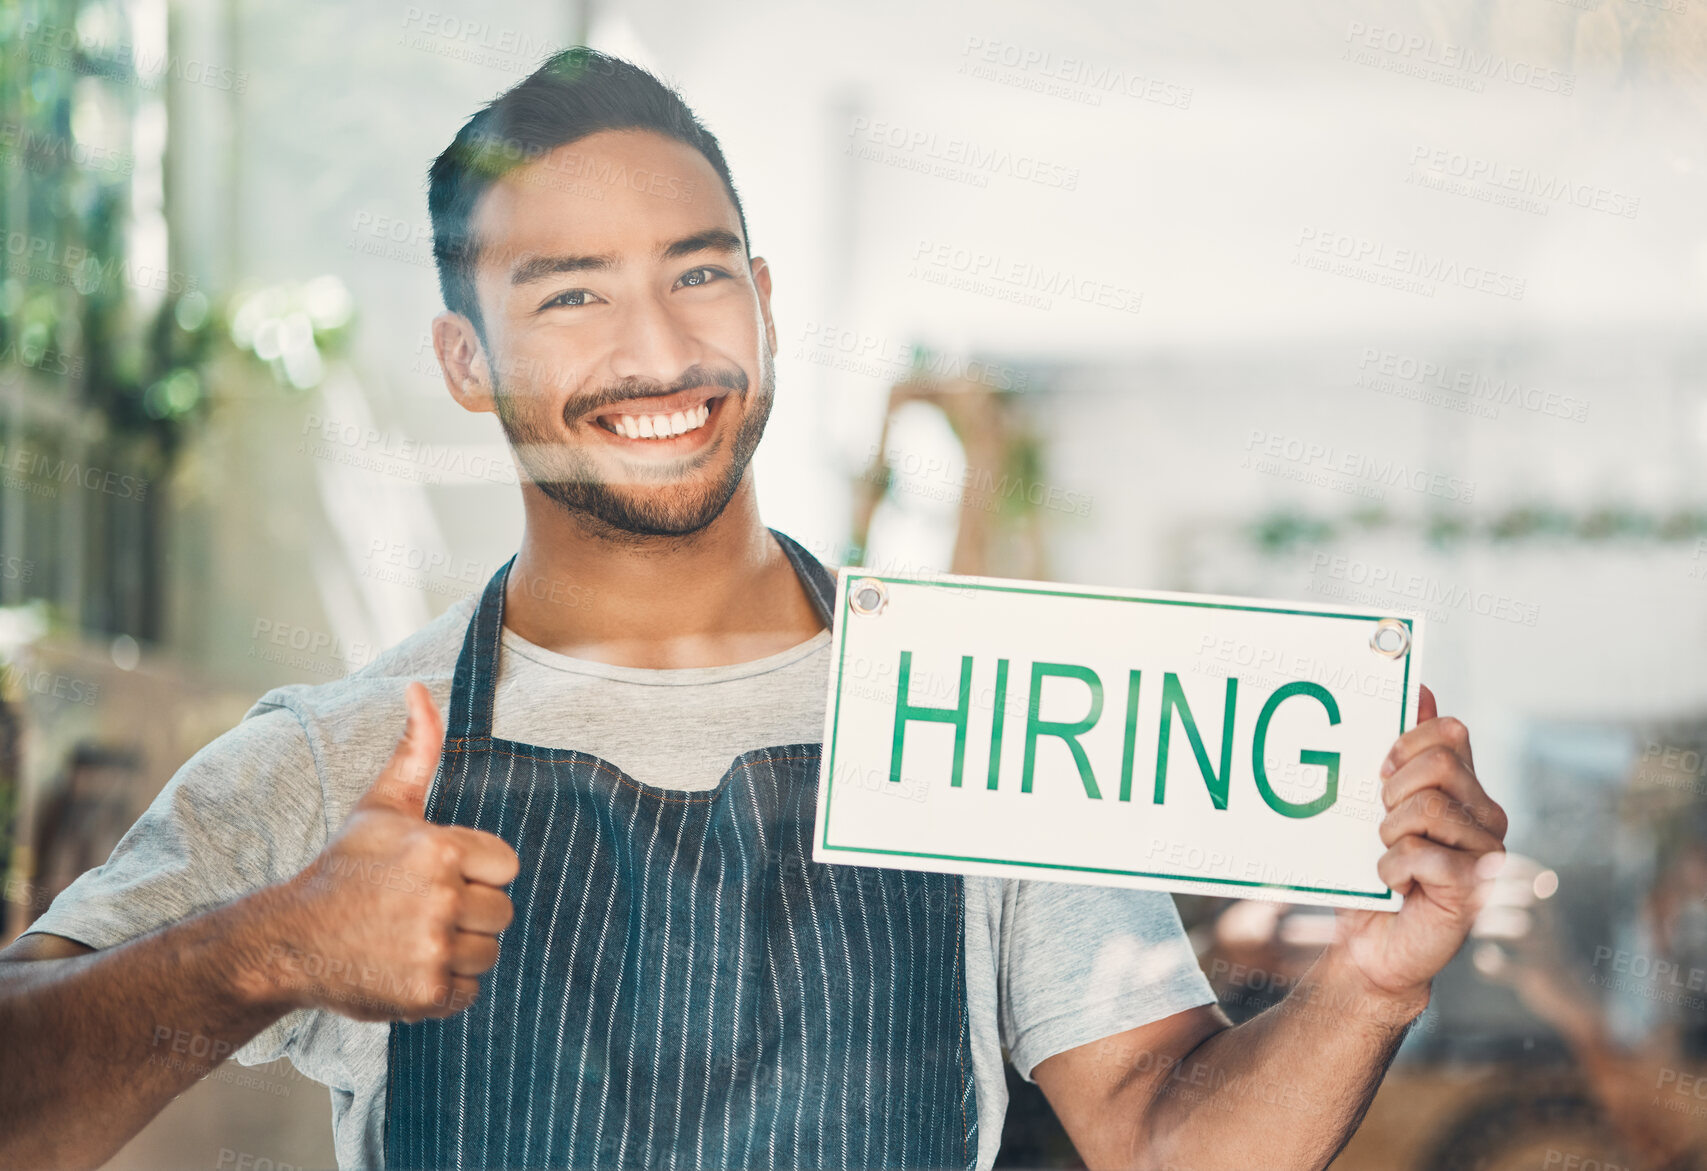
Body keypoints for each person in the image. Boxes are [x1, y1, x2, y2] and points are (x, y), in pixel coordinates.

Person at [0, 47, 1508, 1171]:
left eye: (696, 274)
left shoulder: (982, 719)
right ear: (465, 359)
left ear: (767, 302)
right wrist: (262, 950)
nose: (658, 348)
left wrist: (1370, 988)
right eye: (571, 293)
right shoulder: (338, 762)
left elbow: (1165, 1136)